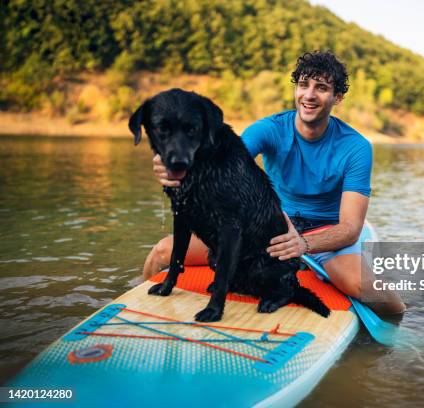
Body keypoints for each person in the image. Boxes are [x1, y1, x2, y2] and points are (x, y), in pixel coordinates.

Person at [143, 51, 406, 315]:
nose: (309, 95)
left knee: (378, 295)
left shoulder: (356, 147)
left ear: (337, 97)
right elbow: (222, 165)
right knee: (162, 252)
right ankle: (143, 303)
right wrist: (171, 165)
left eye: (322, 88)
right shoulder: (269, 129)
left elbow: (350, 227)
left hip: (325, 235)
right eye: (303, 85)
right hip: (271, 230)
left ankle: (409, 339)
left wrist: (303, 245)